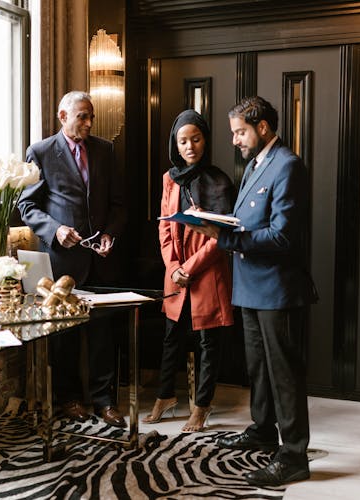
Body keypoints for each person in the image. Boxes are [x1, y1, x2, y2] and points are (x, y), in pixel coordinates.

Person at [189, 96, 317, 486]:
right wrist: (215, 224)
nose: (235, 141)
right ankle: (263, 432)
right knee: (258, 370)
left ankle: (294, 455)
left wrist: (224, 237)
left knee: (284, 374)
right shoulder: (255, 165)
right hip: (249, 287)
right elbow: (246, 220)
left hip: (277, 289)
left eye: (240, 132)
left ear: (262, 128)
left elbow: (282, 236)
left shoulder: (288, 165)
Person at [17, 90, 127, 428]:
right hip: (62, 261)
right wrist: (54, 230)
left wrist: (110, 233)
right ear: (62, 116)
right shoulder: (41, 152)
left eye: (91, 116)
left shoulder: (105, 150)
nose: (89, 122)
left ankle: (105, 401)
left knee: (102, 335)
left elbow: (119, 204)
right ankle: (69, 399)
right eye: (82, 116)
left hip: (102, 260)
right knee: (63, 337)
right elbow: (26, 205)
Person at [143, 110, 235, 433]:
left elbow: (221, 236)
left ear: (205, 140)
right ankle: (165, 396)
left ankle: (202, 406)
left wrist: (190, 268)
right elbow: (163, 228)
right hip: (176, 272)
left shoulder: (220, 181)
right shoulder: (170, 179)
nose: (190, 146)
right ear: (175, 144)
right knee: (172, 338)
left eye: (195, 139)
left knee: (209, 342)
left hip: (207, 272)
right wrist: (173, 267)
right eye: (183, 141)